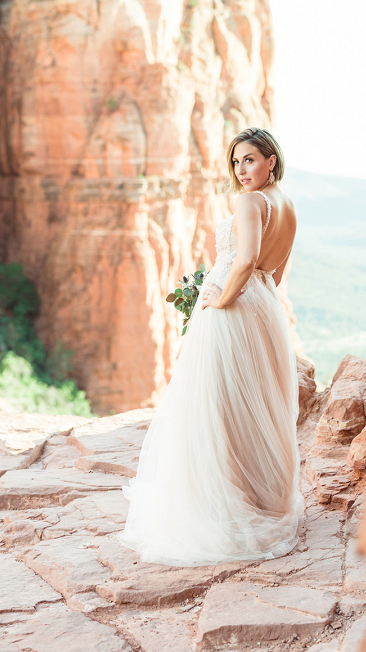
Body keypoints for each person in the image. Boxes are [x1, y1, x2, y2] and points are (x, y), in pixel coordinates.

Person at [119, 127, 303, 565]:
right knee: (254, 404)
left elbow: (244, 259)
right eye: (237, 161)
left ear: (270, 160)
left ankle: (225, 507)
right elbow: (274, 270)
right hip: (263, 305)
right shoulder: (287, 203)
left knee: (217, 406)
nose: (242, 170)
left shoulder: (250, 201)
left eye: (251, 160)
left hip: (234, 307)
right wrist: (253, 292)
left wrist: (219, 298)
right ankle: (261, 499)